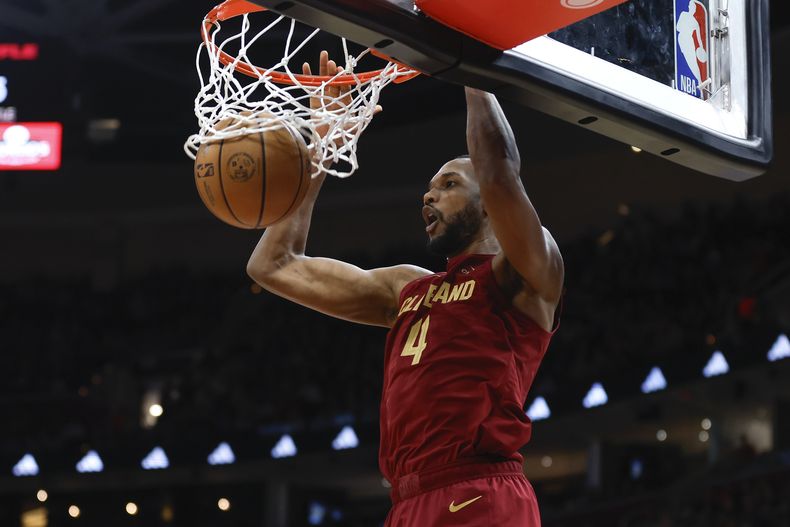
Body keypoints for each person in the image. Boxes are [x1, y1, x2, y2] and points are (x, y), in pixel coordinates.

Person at [247, 51, 564, 526]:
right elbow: (273, 265)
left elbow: (498, 170)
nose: (428, 195)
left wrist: (469, 64)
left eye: (449, 183)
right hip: (407, 503)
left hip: (480, 490)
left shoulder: (523, 271)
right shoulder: (406, 288)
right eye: (429, 187)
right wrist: (323, 147)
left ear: (486, 205)